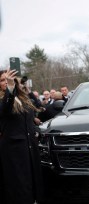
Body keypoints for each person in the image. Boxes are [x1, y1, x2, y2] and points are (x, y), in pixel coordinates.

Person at [0, 69, 43, 204]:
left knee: (33, 183)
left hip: (29, 147)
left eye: (8, 79)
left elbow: (30, 116)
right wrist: (11, 87)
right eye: (2, 80)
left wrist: (36, 130)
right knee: (19, 186)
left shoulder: (22, 98)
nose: (6, 82)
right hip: (14, 151)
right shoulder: (4, 99)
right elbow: (6, 109)